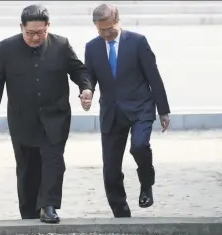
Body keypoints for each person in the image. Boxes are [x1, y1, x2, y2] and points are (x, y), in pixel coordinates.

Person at [0, 4, 93, 223]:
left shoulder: (61, 45)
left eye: (40, 32)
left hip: (56, 116)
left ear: (48, 27)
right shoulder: (6, 48)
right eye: (30, 33)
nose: (35, 37)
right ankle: (29, 211)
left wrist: (86, 88)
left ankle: (48, 206)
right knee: (27, 167)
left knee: (54, 161)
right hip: (23, 119)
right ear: (21, 27)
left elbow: (78, 70)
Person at [83, 4, 171, 218]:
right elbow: (89, 76)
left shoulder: (138, 42)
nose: (105, 34)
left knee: (139, 146)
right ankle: (121, 212)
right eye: (100, 30)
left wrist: (163, 110)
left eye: (109, 29)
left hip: (140, 107)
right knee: (110, 170)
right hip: (111, 113)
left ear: (118, 21)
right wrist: (86, 91)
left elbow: (153, 76)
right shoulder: (92, 47)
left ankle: (146, 184)